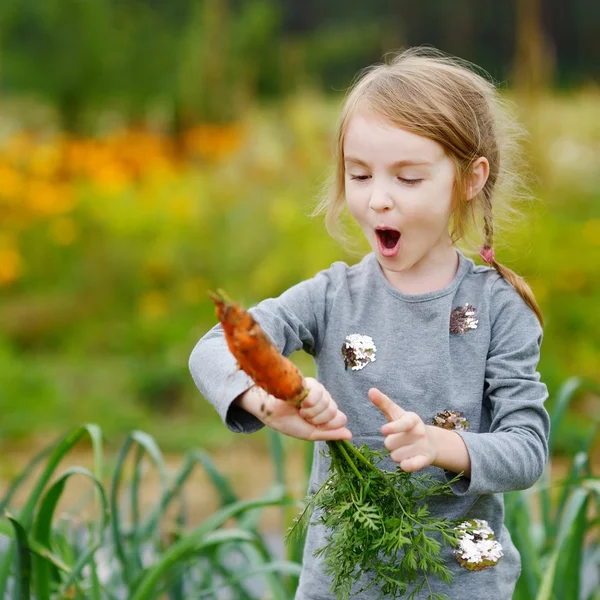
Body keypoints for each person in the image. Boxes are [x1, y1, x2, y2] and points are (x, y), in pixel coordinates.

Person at [189, 46, 550, 599]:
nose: (377, 199)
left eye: (407, 179)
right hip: (343, 582)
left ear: (470, 179)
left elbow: (527, 449)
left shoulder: (500, 308)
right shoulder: (332, 296)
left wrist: (438, 444)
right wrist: (268, 402)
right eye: (359, 175)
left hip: (463, 584)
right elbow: (214, 348)